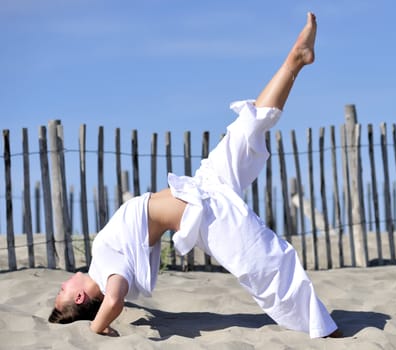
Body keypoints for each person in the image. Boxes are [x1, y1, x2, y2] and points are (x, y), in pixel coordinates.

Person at [49, 12, 342, 339]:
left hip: (201, 187)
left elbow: (119, 296)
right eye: (62, 291)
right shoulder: (105, 272)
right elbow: (114, 298)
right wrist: (96, 326)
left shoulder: (102, 264)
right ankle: (324, 329)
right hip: (205, 215)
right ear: (78, 296)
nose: (61, 283)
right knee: (268, 265)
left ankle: (295, 61)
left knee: (246, 131)